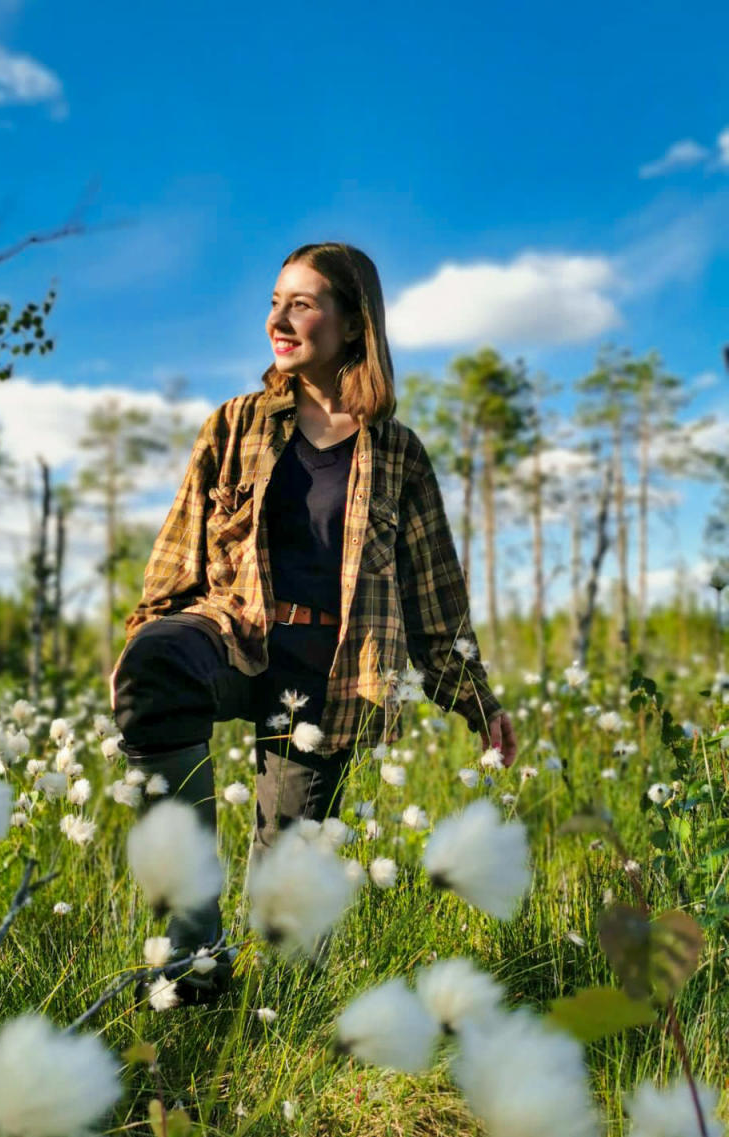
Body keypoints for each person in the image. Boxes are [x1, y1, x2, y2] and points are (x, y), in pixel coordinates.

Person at [111, 242, 517, 1003]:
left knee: (289, 909)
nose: (278, 319)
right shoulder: (235, 425)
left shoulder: (397, 454)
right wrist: (142, 637)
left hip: (332, 672)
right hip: (233, 633)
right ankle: (192, 965)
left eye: (301, 303)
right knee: (157, 668)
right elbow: (178, 551)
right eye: (274, 302)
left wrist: (476, 701)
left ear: (354, 323)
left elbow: (436, 597)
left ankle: (283, 1024)